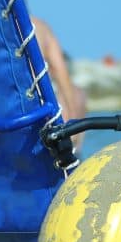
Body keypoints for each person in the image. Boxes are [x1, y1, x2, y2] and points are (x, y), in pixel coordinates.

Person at [30, 16, 87, 151]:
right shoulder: (38, 28)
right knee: (77, 94)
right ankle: (73, 149)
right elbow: (61, 73)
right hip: (35, 119)